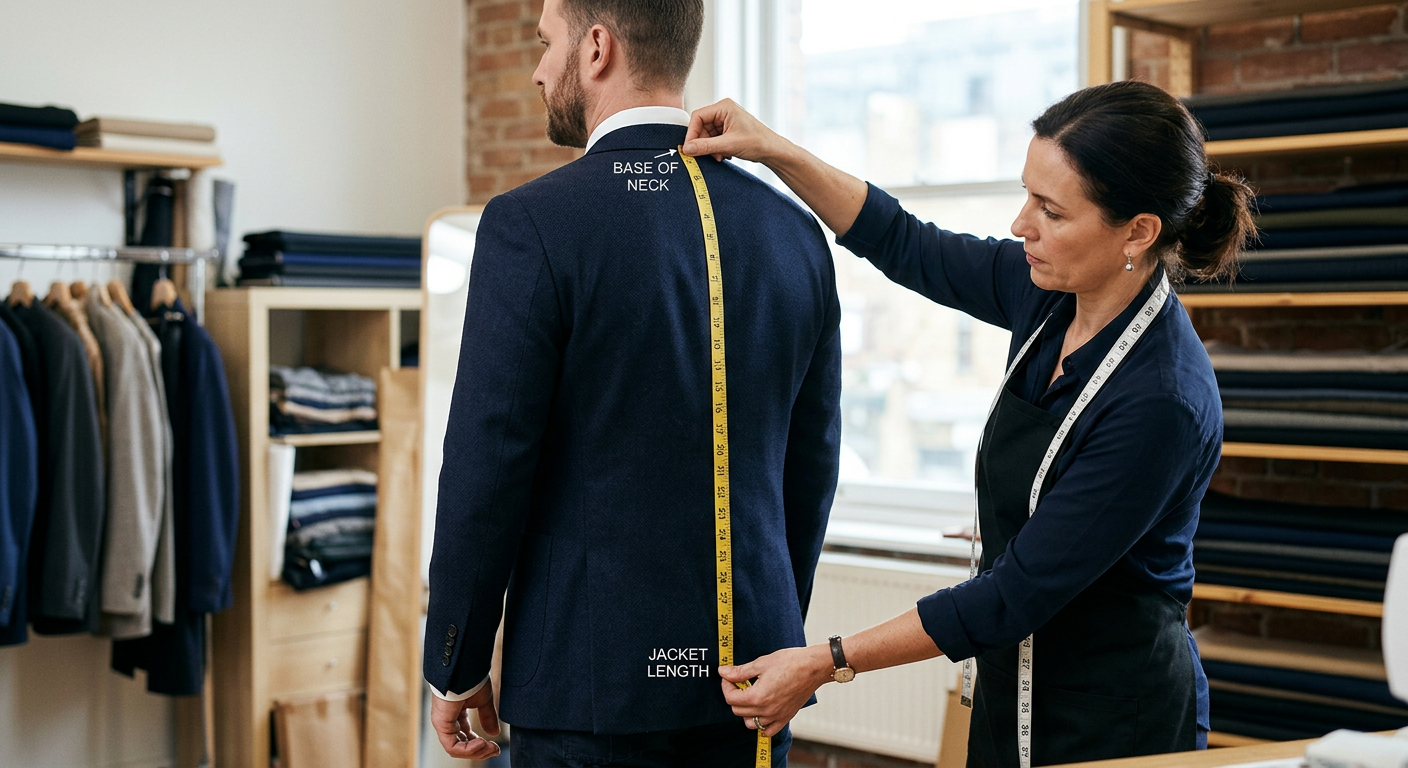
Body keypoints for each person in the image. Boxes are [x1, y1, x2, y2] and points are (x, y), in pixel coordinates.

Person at [681, 80, 1255, 766]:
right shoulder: (1047, 295)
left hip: (1115, 713)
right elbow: (902, 241)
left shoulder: (1163, 400)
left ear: (1138, 231)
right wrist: (771, 149)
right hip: (1014, 681)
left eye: (1051, 210)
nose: (1021, 225)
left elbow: (1014, 595)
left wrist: (823, 661)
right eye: (1026, 195)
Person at [423, 0, 842, 764]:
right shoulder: (795, 232)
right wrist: (766, 628)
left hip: (590, 693)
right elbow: (810, 467)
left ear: (596, 48)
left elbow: (488, 467)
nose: (537, 69)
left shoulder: (533, 224)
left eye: (546, 44)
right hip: (755, 682)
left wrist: (456, 659)